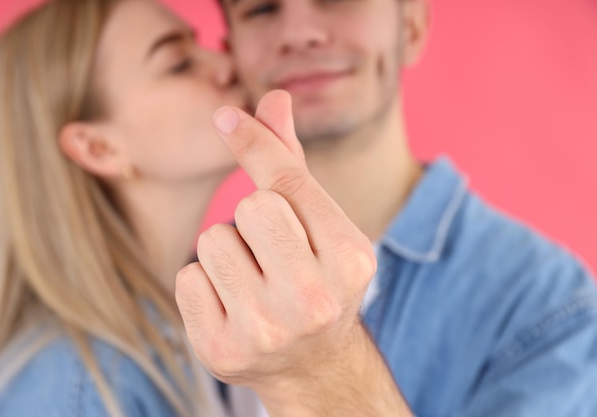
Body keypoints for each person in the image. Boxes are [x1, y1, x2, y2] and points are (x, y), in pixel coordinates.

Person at [174, 0, 597, 415]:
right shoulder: (188, 288)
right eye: (262, 9)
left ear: (410, 28)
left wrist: (325, 368)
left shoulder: (553, 308)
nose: (298, 34)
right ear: (232, 53)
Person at [0, 0, 243, 415]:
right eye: (178, 63)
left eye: (200, 45)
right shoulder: (75, 390)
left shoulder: (189, 333)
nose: (227, 64)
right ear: (98, 148)